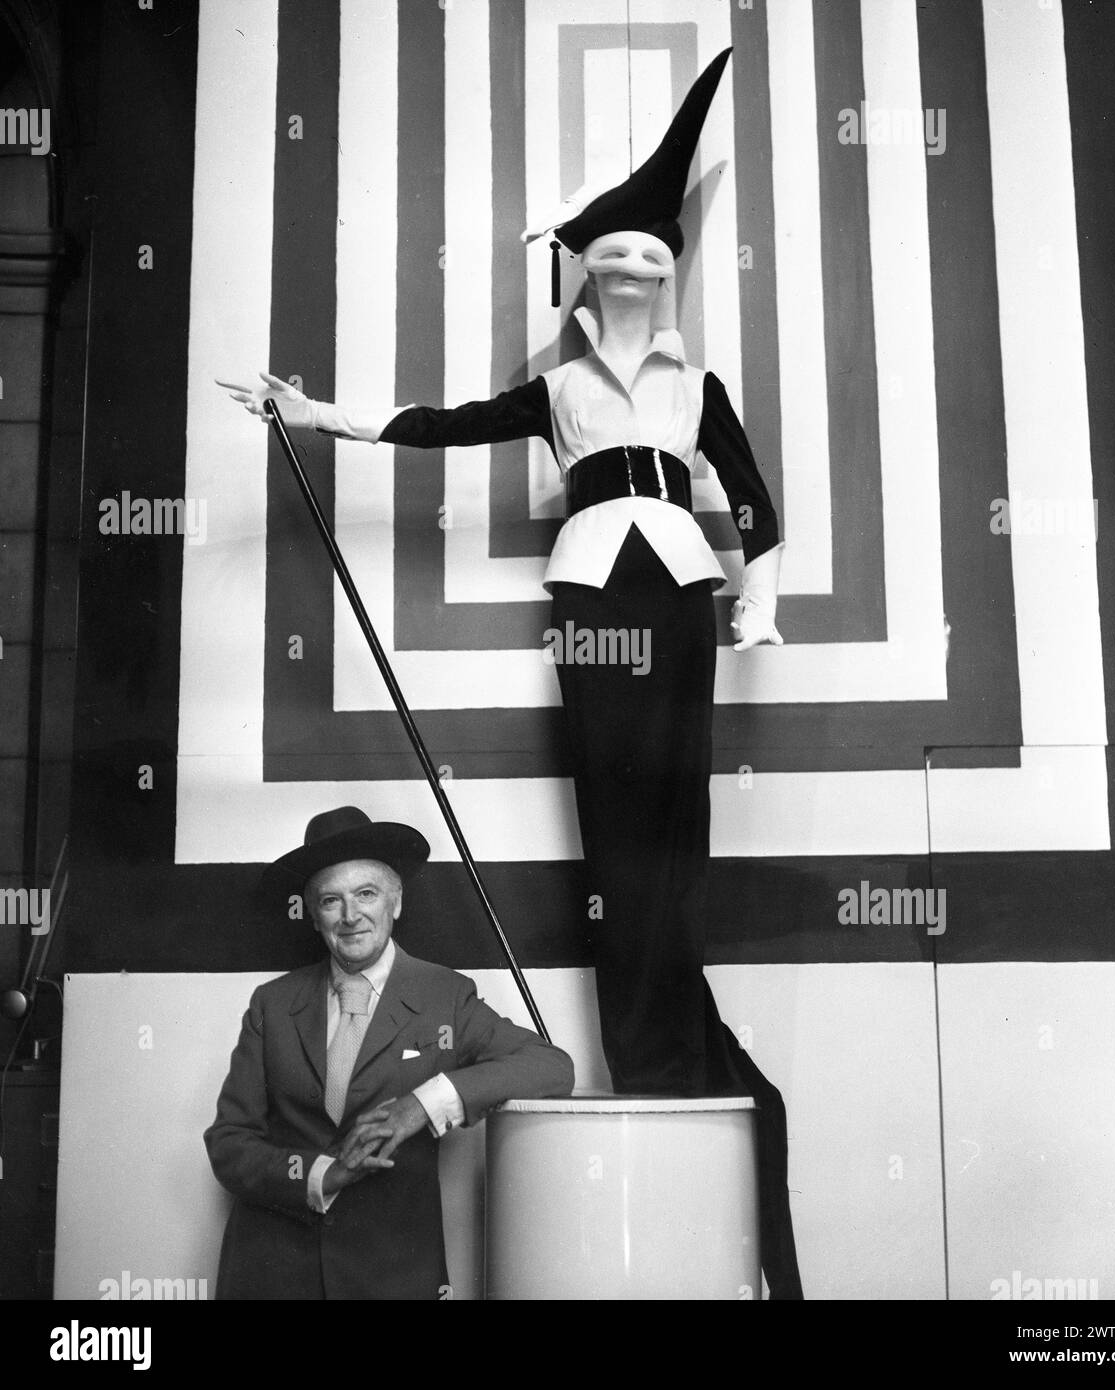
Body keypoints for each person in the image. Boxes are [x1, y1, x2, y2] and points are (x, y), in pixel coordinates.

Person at [218, 47, 802, 1300]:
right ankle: (656, 1046)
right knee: (617, 815)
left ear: (674, 274)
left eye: (654, 256)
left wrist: (753, 594)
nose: (636, 272)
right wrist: (324, 418)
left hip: (681, 588)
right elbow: (450, 425)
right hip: (594, 588)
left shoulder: (699, 388)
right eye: (616, 257)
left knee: (674, 818)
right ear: (588, 279)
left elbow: (754, 506)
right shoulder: (558, 388)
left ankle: (675, 1030)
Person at [204, 806, 574, 1300]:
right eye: (331, 901)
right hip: (273, 1271)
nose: (351, 915)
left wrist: (420, 1105)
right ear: (313, 916)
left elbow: (553, 1066)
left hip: (392, 1273)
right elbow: (229, 1142)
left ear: (395, 903)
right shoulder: (272, 1004)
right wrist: (321, 1174)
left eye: (366, 894)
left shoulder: (445, 995)